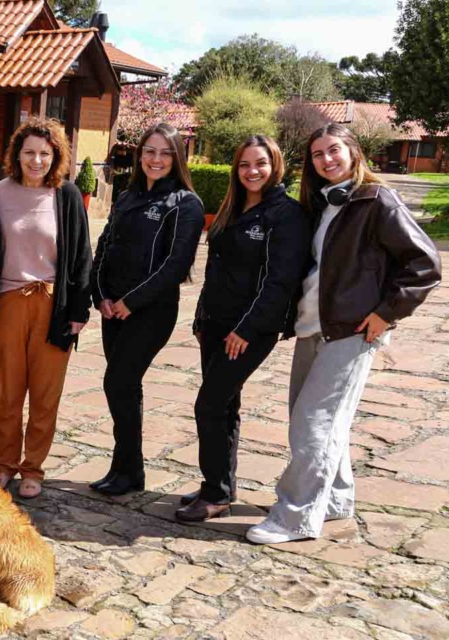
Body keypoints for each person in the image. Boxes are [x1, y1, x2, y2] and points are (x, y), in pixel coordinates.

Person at [246, 124, 441, 544]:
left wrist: (386, 314)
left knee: (312, 424)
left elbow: (424, 265)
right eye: (317, 154)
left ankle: (294, 517)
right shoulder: (324, 204)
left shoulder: (377, 200)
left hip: (350, 333)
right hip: (313, 326)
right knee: (318, 420)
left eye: (334, 150)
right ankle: (335, 499)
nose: (326, 160)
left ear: (353, 151)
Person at [179, 136, 309, 522]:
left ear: (275, 165)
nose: (252, 171)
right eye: (244, 164)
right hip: (215, 324)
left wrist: (247, 329)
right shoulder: (233, 207)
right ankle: (220, 485)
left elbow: (279, 282)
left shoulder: (287, 215)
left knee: (209, 404)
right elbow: (214, 269)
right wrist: (201, 317)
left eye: (260, 163)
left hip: (249, 330)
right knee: (225, 405)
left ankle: (215, 494)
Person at [88, 122, 204, 496]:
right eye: (150, 151)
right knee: (124, 387)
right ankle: (126, 469)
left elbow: (175, 266)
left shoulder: (186, 204)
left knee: (118, 382)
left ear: (177, 158)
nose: (156, 159)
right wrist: (100, 295)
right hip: (113, 310)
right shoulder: (126, 196)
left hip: (151, 312)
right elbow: (104, 247)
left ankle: (129, 469)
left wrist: (130, 302)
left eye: (165, 153)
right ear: (140, 155)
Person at [0, 118, 92, 499]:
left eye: (45, 154)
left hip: (53, 304)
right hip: (7, 304)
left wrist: (78, 312)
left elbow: (81, 256)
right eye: (29, 152)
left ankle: (33, 468)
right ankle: (5, 464)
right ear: (17, 154)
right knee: (9, 392)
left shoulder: (66, 195)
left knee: (45, 395)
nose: (36, 160)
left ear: (56, 157)